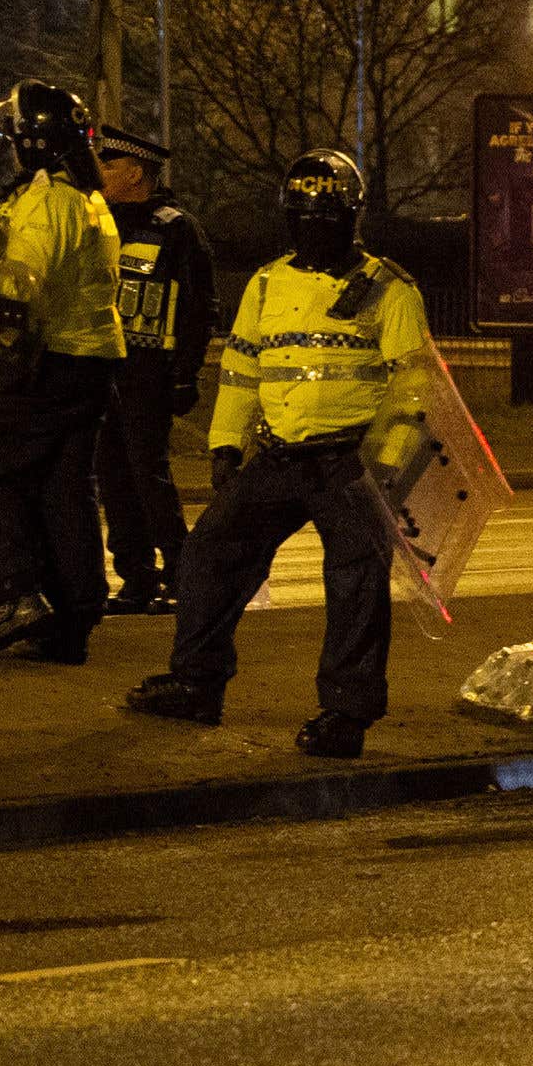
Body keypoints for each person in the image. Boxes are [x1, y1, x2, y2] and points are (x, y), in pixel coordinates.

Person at [124, 151, 430, 757]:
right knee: (210, 553)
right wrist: (225, 444)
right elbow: (240, 370)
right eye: (303, 220)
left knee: (356, 585)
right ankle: (196, 683)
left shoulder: (390, 289)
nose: (314, 232)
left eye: (327, 220)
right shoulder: (267, 283)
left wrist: (389, 469)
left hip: (351, 460)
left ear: (352, 218)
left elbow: (414, 386)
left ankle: (346, 714)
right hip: (279, 452)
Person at [0, 81, 126, 663]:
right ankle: (73, 619)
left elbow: (18, 287)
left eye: (14, 138)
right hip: (91, 361)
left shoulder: (46, 200)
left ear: (32, 143)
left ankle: (12, 593)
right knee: (66, 490)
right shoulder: (89, 199)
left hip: (41, 361)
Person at [91, 128, 216, 615]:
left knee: (148, 475)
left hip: (149, 374)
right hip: (104, 371)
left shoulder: (176, 229)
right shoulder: (99, 224)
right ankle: (136, 578)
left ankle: (182, 574)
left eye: (110, 167)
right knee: (113, 478)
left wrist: (185, 374)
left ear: (136, 173)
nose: (100, 176)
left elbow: (199, 308)